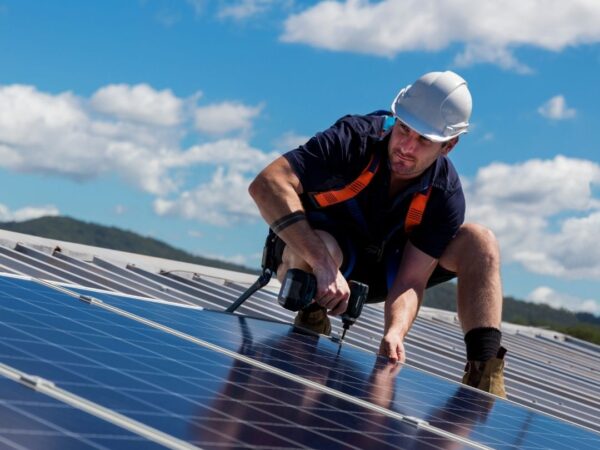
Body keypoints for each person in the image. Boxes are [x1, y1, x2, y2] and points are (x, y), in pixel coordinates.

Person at [248, 71, 507, 397]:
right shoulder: (353, 138)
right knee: (325, 247)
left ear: (449, 146)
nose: (406, 147)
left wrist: (395, 333)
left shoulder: (444, 194)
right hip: (314, 257)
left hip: (383, 273)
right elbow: (267, 184)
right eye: (404, 130)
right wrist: (324, 265)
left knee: (480, 241)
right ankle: (312, 315)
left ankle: (484, 378)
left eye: (424, 140)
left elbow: (411, 280)